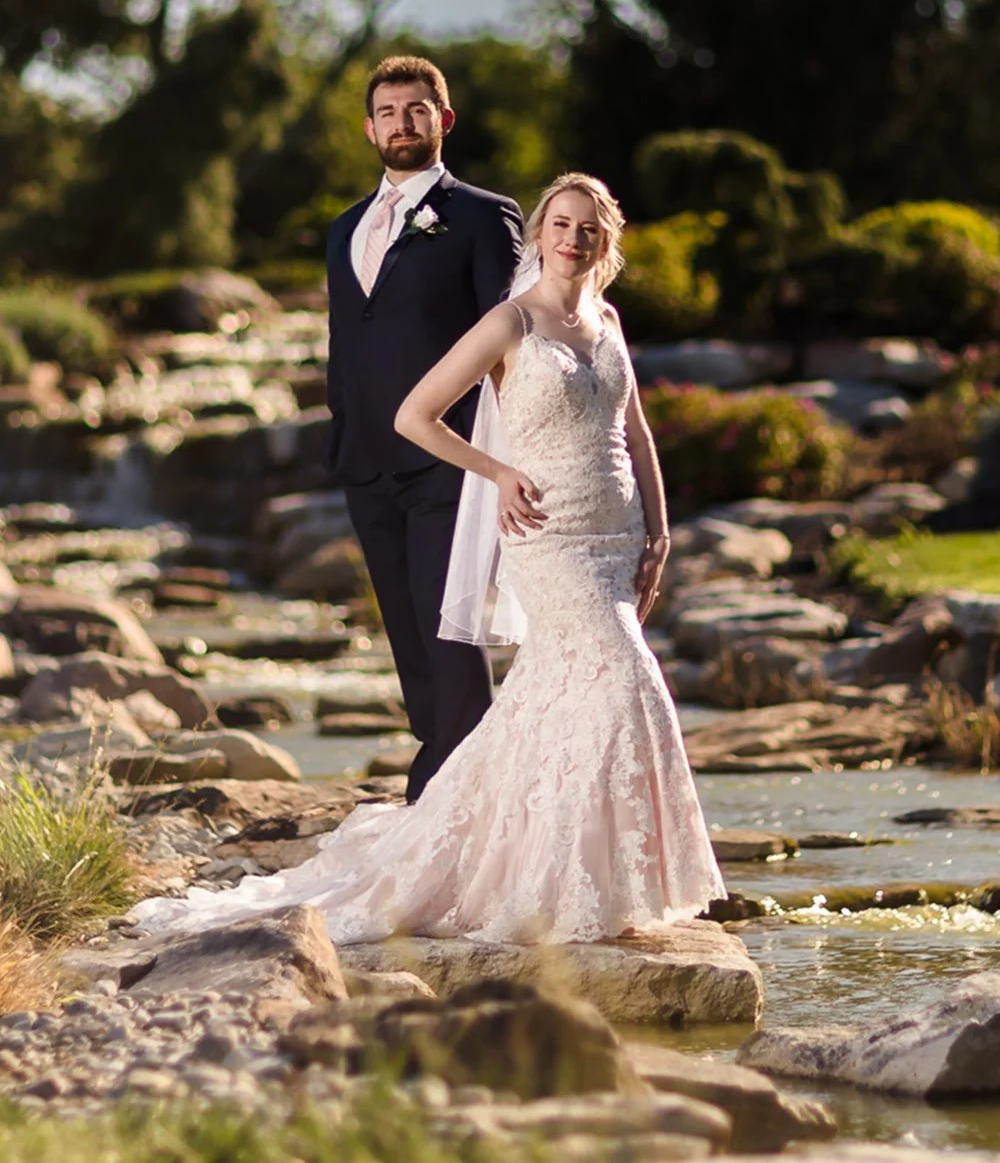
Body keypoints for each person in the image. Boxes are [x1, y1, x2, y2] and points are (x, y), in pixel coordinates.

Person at [134, 173, 724, 946]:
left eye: (589, 228)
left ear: (605, 241)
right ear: (541, 233)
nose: (573, 238)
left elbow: (635, 431)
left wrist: (661, 528)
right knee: (626, 680)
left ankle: (576, 878)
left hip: (618, 534)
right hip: (548, 536)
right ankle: (547, 879)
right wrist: (500, 473)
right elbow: (416, 415)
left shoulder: (606, 319)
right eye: (561, 224)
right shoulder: (510, 323)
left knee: (556, 698)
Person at [324, 55, 523, 802]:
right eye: (387, 113)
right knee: (407, 631)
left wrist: (504, 455)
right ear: (369, 127)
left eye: (416, 110)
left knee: (452, 627)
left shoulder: (481, 213)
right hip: (367, 461)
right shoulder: (343, 228)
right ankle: (436, 768)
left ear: (444, 119)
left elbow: (507, 338)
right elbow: (347, 339)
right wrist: (342, 433)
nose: (401, 124)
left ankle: (461, 790)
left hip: (451, 457)